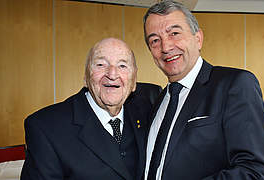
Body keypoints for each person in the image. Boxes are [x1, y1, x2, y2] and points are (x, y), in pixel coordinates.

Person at [143, 1, 264, 180]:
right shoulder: (159, 100)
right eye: (155, 40)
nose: (166, 47)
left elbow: (256, 172)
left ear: (198, 38)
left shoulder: (234, 85)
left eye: (174, 33)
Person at [21, 38, 161, 180]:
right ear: (86, 76)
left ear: (134, 81)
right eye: (100, 65)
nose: (112, 74)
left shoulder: (149, 108)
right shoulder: (45, 127)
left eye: (122, 66)